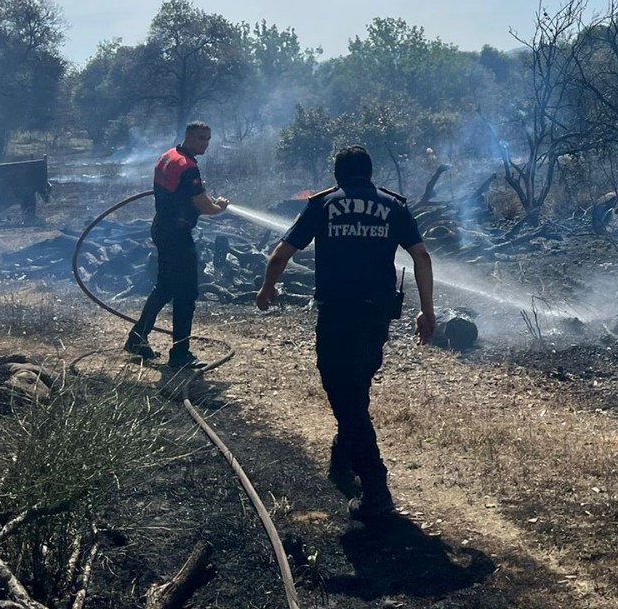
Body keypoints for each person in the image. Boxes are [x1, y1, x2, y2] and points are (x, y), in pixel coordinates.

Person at [256, 145, 436, 520]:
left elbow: (281, 254)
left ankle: (375, 488)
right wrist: (427, 310)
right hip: (377, 316)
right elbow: (421, 255)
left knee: (344, 394)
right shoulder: (393, 205)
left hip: (338, 314)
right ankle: (342, 464)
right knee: (355, 388)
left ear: (337, 175)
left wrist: (267, 288)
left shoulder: (322, 204)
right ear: (370, 174)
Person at [124, 121, 230, 369]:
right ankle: (180, 354)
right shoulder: (188, 167)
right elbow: (204, 206)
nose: (205, 143)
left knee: (164, 288)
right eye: (201, 138)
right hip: (177, 237)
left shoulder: (167, 156)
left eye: (208, 139)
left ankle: (137, 339)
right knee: (186, 294)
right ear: (189, 137)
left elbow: (179, 194)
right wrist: (220, 208)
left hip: (162, 228)